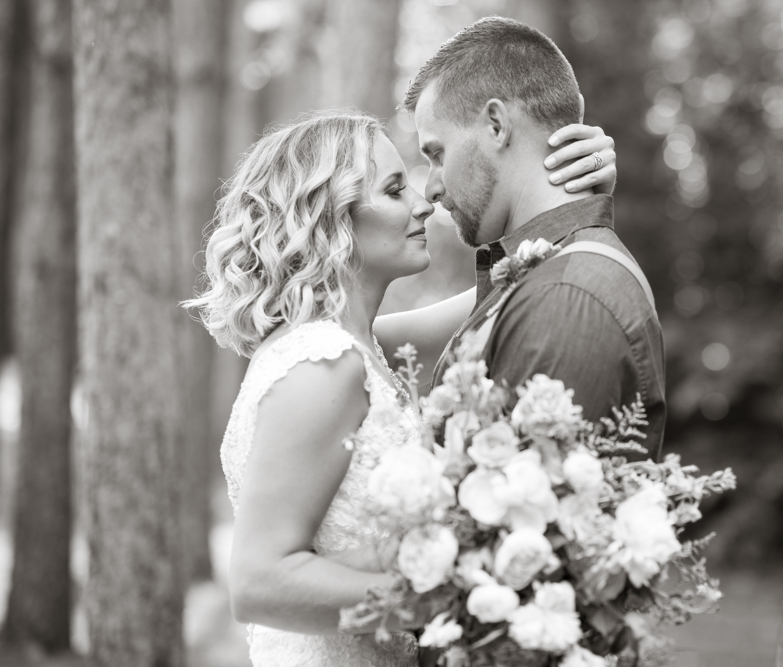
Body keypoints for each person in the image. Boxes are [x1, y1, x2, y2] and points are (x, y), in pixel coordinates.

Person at [183, 110, 617, 666]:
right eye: (394, 190)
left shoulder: (359, 348)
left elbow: (518, 284)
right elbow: (260, 584)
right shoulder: (323, 366)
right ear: (330, 220)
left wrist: (582, 199)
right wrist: (463, 591)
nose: (424, 203)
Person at [402, 16, 667, 460]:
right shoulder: (541, 276)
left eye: (436, 153)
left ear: (496, 125)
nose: (429, 188)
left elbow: (521, 512)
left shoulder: (566, 297)